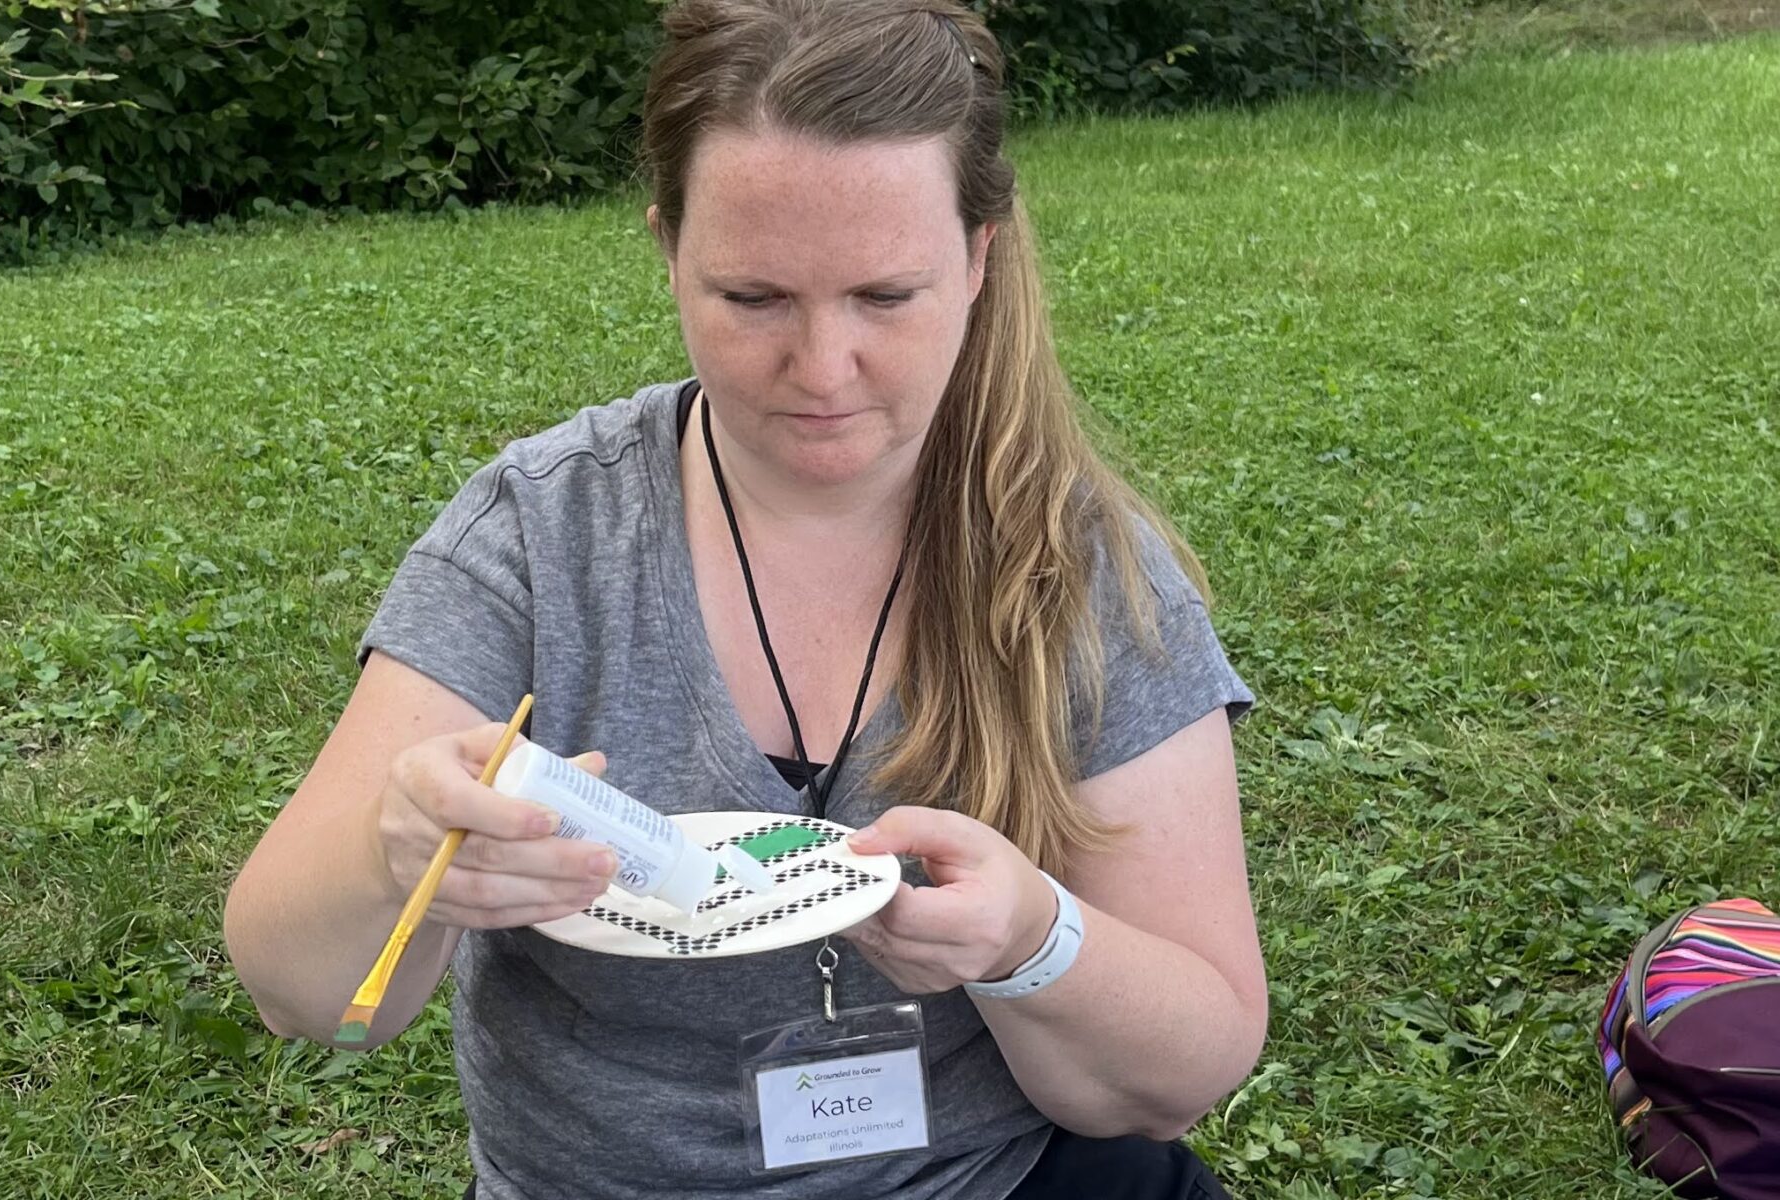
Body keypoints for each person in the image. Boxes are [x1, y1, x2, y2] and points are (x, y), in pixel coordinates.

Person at [222, 2, 1266, 1197]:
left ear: (978, 258)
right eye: (753, 299)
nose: (821, 371)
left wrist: (1033, 941)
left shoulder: (1073, 565)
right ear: (666, 247)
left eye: (884, 297)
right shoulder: (545, 535)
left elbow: (1182, 1070)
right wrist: (397, 858)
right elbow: (300, 996)